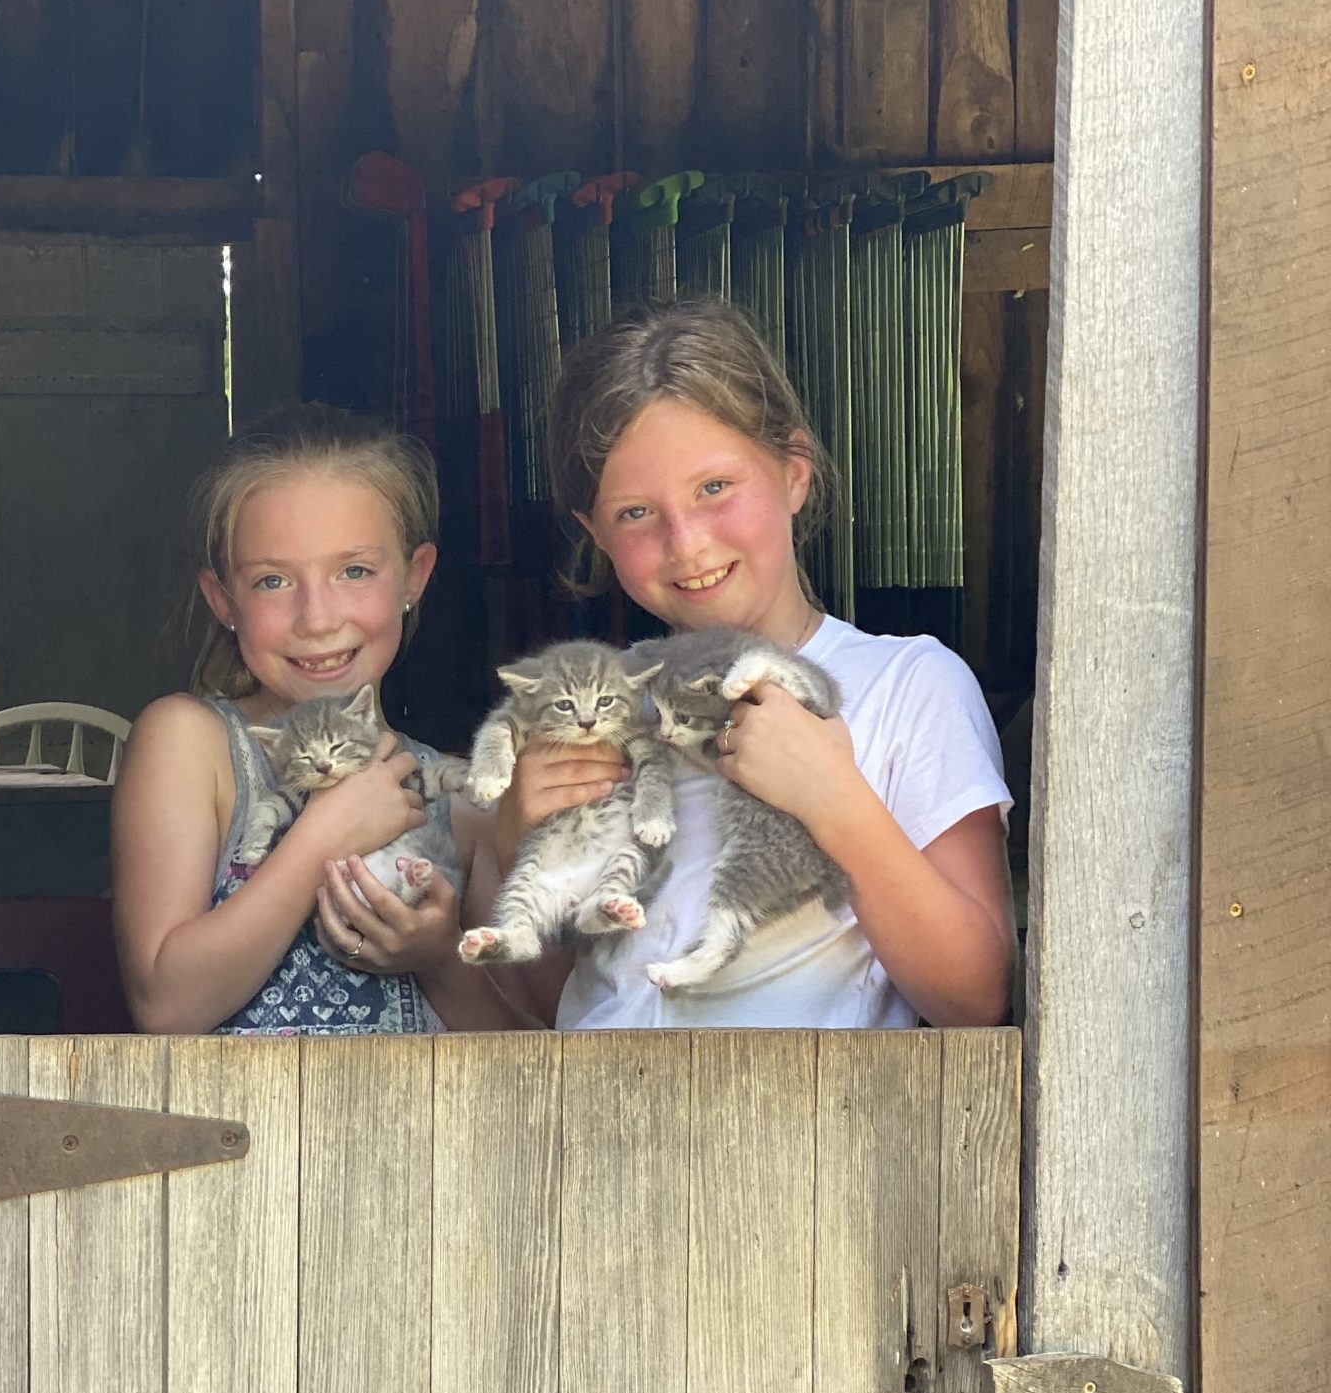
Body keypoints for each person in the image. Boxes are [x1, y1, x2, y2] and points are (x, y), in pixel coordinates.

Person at [481, 298, 1016, 1031]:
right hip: (595, 1100)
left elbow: (976, 1000)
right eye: (636, 512)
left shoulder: (909, 686)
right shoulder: (599, 710)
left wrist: (835, 800)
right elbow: (560, 1000)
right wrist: (513, 843)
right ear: (593, 532)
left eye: (714, 489)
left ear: (794, 471)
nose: (688, 543)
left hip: (810, 1105)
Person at [112, 406, 516, 1035]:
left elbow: (528, 1059)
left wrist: (438, 959)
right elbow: (167, 1008)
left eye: (354, 571)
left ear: (414, 577)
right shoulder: (192, 746)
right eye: (273, 581)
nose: (318, 619)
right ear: (223, 600)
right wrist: (322, 839)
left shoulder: (464, 802)